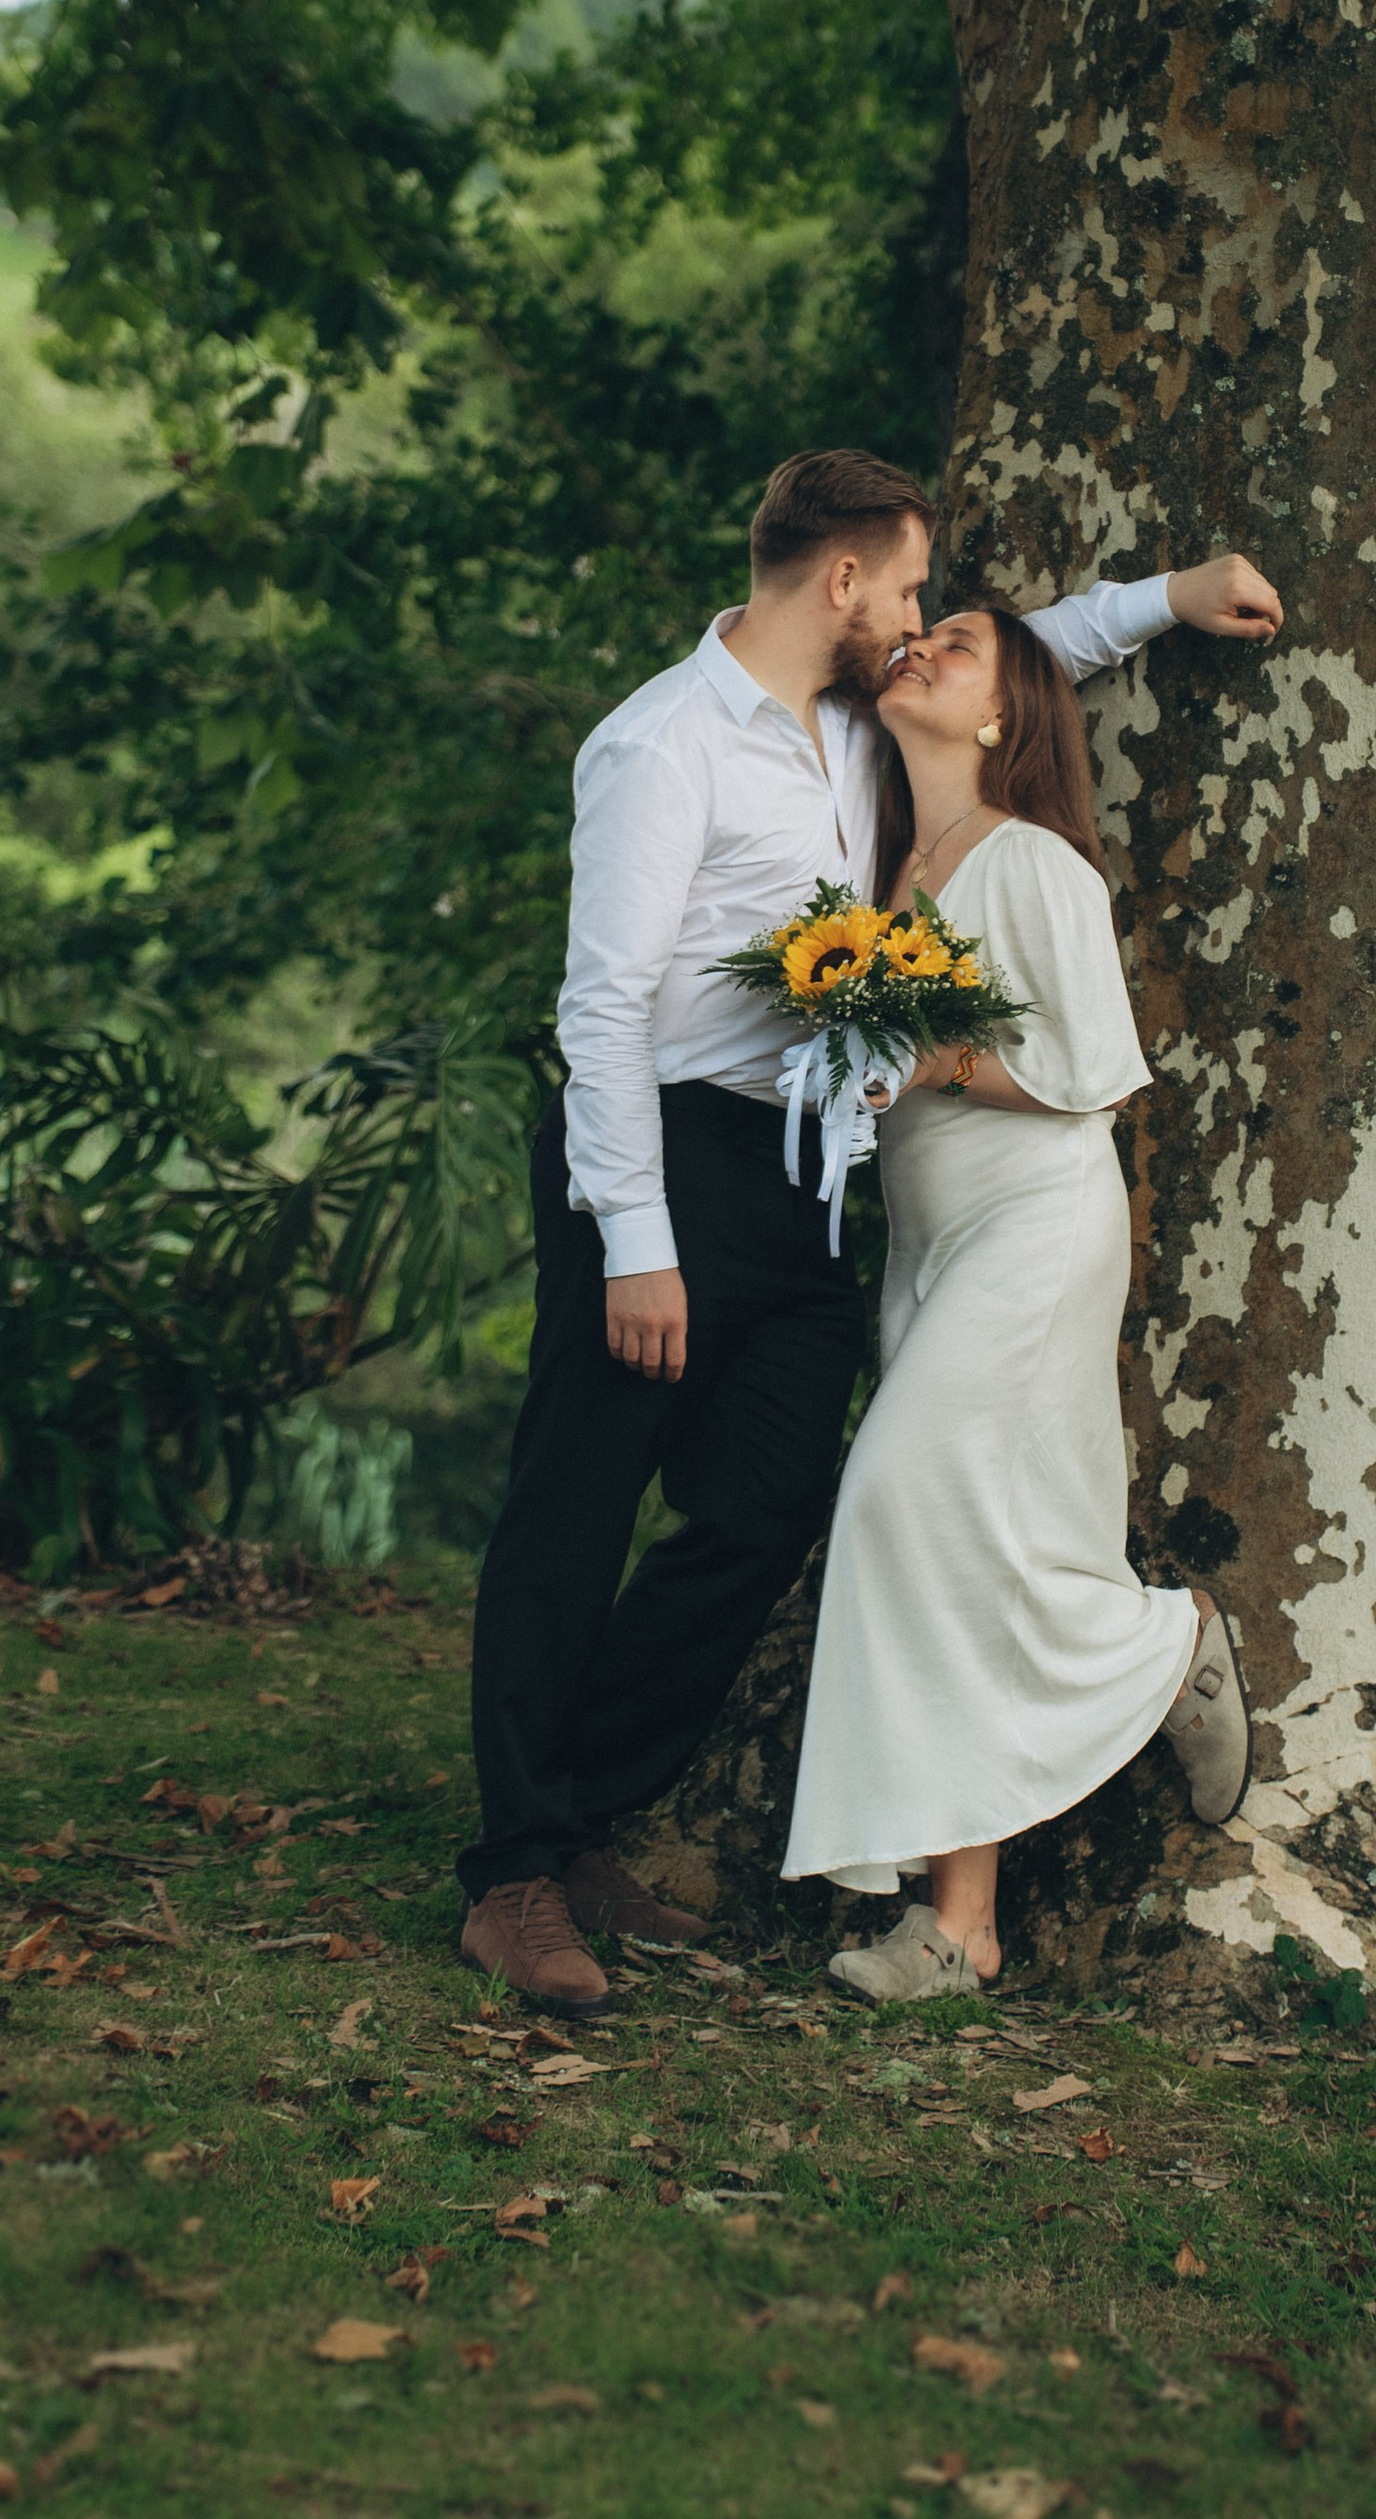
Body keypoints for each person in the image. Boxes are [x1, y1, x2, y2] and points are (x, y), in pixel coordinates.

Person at [458, 447, 1284, 2010]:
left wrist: (1168, 600)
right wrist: (637, 1237)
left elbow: (1020, 664)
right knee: (575, 1504)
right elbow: (604, 1008)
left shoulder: (859, 720)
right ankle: (514, 1871)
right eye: (905, 587)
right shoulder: (658, 746)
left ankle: (582, 1815)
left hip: (810, 1184)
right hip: (663, 1160)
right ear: (842, 581)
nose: (917, 621)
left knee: (770, 1511)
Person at [780, 606, 1252, 1997]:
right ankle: (959, 1927)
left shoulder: (1030, 859)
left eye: (963, 648)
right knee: (959, 1547)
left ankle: (1168, 1650)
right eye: (920, 639)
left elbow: (1097, 1068)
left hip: (1035, 1223)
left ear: (1004, 719)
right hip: (927, 1235)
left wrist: (930, 1066)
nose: (923, 649)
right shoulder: (877, 870)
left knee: (889, 1496)